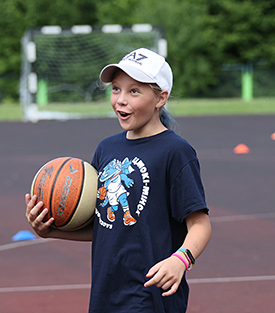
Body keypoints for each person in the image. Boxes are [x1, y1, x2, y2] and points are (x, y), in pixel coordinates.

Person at [25, 47, 212, 313]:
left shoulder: (175, 152)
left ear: (161, 98)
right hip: (106, 293)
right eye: (116, 89)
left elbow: (200, 224)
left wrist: (180, 260)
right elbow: (105, 225)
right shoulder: (106, 149)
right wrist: (50, 230)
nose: (120, 100)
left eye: (134, 91)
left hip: (151, 296)